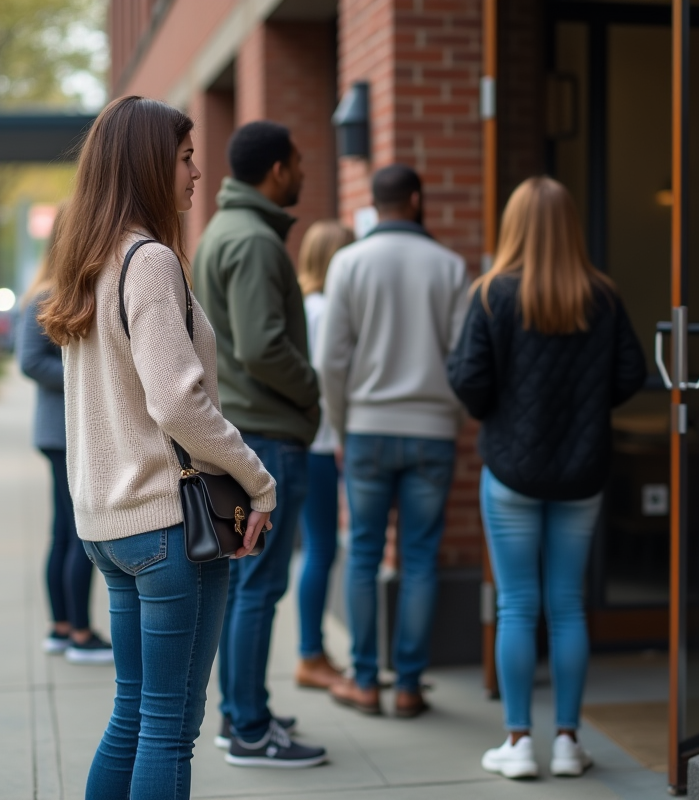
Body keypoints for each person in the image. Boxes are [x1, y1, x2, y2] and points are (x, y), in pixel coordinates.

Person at [38, 95, 277, 800]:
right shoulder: (147, 262)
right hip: (167, 526)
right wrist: (258, 480)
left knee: (134, 716)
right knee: (168, 727)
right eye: (185, 158)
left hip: (110, 528)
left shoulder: (88, 261)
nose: (198, 173)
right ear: (147, 164)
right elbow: (178, 401)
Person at [446, 176, 646, 780]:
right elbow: (631, 373)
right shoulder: (602, 297)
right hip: (582, 473)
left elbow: (468, 380)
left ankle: (517, 743)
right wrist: (586, 408)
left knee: (515, 605)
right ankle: (566, 742)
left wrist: (501, 410)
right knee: (567, 606)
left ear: (515, 227)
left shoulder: (491, 295)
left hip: (511, 470)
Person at [191, 120, 327, 768]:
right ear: (277, 170)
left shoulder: (228, 231)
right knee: (259, 586)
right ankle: (248, 727)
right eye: (297, 163)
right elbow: (261, 346)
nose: (303, 172)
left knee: (249, 584)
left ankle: (242, 713)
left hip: (253, 431)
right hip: (268, 435)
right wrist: (312, 389)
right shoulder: (252, 240)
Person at [318, 164, 470, 719]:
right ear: (416, 199)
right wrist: (451, 418)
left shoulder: (349, 263)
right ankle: (408, 686)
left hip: (366, 429)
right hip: (432, 431)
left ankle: (365, 681)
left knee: (362, 554)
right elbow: (464, 360)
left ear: (375, 203)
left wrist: (342, 425)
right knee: (420, 559)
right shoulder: (450, 266)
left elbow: (330, 360)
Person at [17, 205, 112, 665]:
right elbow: (29, 362)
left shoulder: (64, 290)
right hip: (63, 431)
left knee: (63, 530)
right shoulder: (48, 294)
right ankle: (79, 631)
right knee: (77, 532)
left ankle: (61, 627)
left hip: (61, 431)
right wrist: (84, 377)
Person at [294, 220, 354, 691]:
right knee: (321, 548)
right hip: (323, 445)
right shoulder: (326, 309)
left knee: (316, 547)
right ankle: (311, 653)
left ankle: (312, 651)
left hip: (309, 443)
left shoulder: (303, 306)